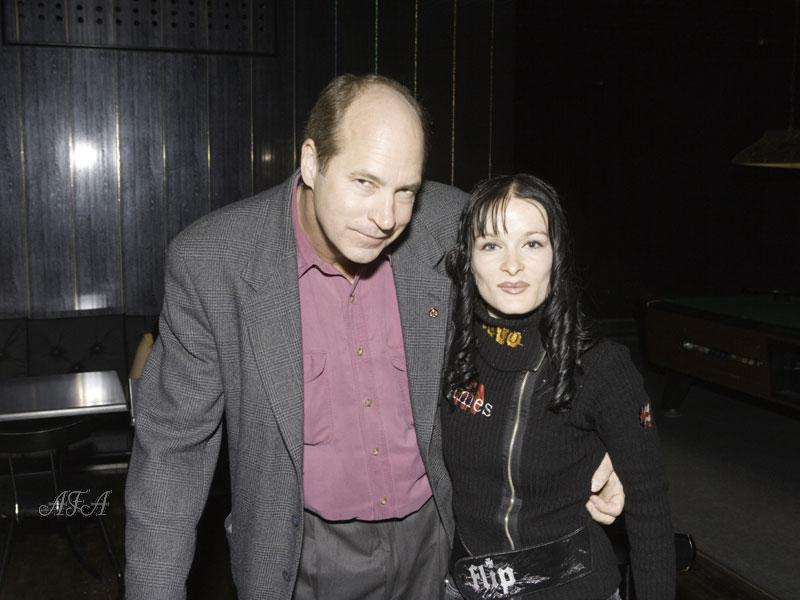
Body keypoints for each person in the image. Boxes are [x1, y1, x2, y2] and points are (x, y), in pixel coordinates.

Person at [124, 75, 624, 600]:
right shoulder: (213, 263)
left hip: (443, 536)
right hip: (305, 557)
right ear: (312, 162)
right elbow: (172, 457)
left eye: (405, 191)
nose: (386, 218)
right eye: (365, 182)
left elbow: (540, 322)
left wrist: (599, 432)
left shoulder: (453, 226)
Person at [441, 173, 675, 600]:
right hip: (464, 587)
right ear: (468, 259)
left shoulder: (602, 367)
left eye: (532, 243)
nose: (513, 265)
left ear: (557, 254)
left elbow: (650, 508)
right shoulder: (445, 351)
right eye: (491, 245)